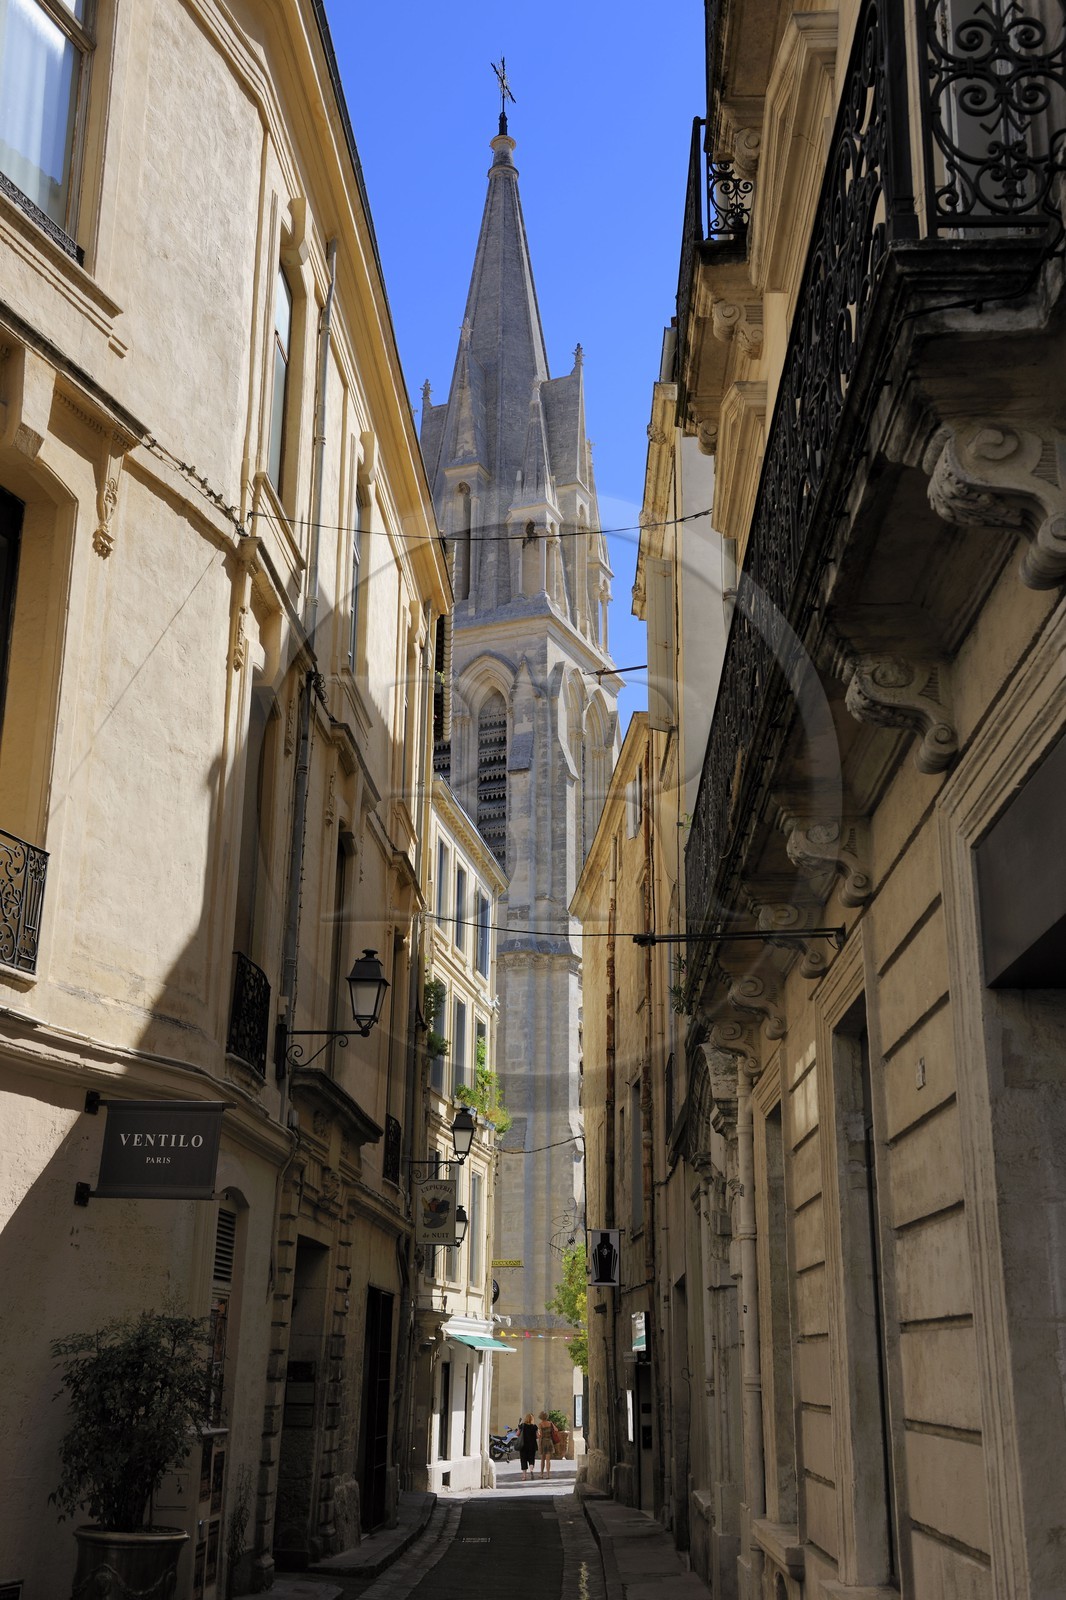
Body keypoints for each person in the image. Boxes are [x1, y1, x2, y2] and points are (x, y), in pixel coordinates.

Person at [518, 1412, 538, 1480]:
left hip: (523, 1446)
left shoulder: (522, 1425)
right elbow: (538, 1436)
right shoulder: (534, 1426)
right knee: (531, 1459)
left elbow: (517, 1434)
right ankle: (531, 1470)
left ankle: (524, 1476)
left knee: (523, 1460)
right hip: (532, 1446)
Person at [537, 1410, 556, 1477]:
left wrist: (539, 1444)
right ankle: (548, 1474)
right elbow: (556, 1430)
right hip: (550, 1441)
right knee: (548, 1459)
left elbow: (540, 1435)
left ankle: (541, 1474)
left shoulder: (540, 1424)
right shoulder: (550, 1423)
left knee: (542, 1459)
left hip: (543, 1442)